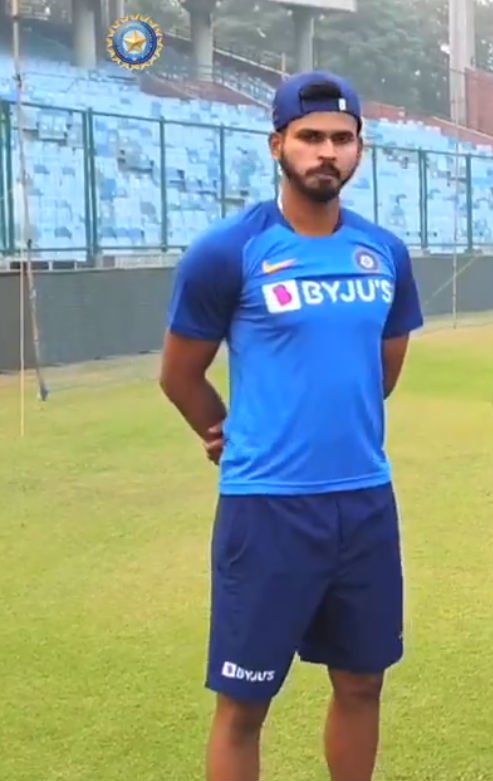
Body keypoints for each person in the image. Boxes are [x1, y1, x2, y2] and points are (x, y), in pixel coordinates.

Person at [158, 70, 423, 781]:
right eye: (310, 137)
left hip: (364, 502)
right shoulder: (228, 251)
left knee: (362, 682)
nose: (327, 152)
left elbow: (381, 371)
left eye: (342, 138)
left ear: (360, 147)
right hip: (267, 509)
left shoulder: (384, 252)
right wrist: (227, 432)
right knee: (245, 702)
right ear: (278, 144)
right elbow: (179, 375)